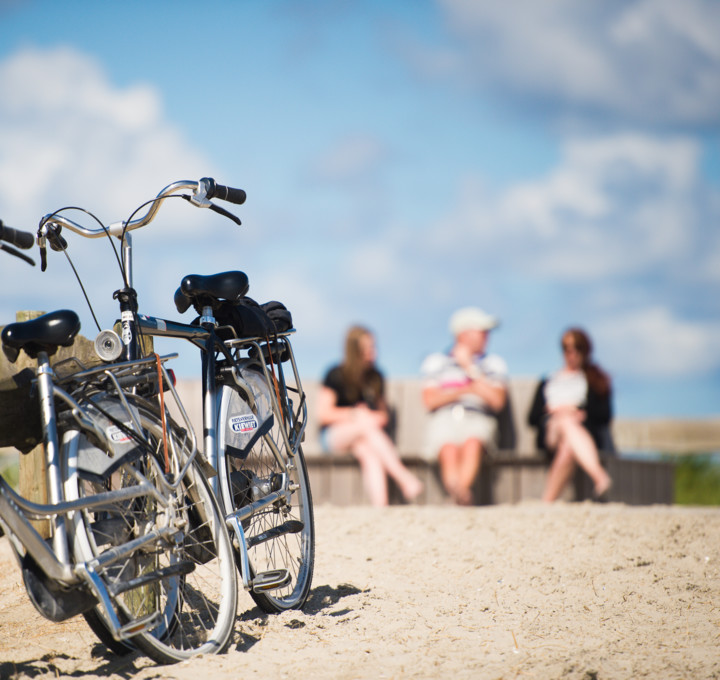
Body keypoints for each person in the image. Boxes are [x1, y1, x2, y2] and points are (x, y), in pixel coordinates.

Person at [316, 325, 424, 506]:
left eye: (374, 346)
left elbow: (383, 416)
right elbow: (324, 414)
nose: (373, 351)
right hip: (334, 437)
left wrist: (368, 417)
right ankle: (404, 477)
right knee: (364, 423)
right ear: (354, 350)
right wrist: (355, 414)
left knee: (367, 451)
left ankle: (380, 507)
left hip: (365, 437)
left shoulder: (376, 377)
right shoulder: (336, 374)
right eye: (368, 347)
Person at [421, 307, 508, 505]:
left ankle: (458, 495)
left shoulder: (493, 363)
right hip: (444, 418)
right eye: (482, 331)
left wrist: (469, 367)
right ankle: (461, 495)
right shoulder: (436, 362)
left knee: (473, 442)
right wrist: (467, 390)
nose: (487, 336)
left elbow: (497, 401)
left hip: (478, 418)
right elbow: (429, 401)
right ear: (463, 334)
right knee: (448, 448)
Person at [528, 327, 613, 502]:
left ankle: (546, 501)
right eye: (567, 349)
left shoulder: (594, 379)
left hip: (579, 432)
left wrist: (580, 413)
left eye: (577, 348)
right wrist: (556, 412)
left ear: (585, 351)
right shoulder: (549, 380)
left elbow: (604, 415)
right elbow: (532, 417)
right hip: (551, 431)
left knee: (567, 447)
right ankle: (599, 475)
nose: (572, 354)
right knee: (565, 421)